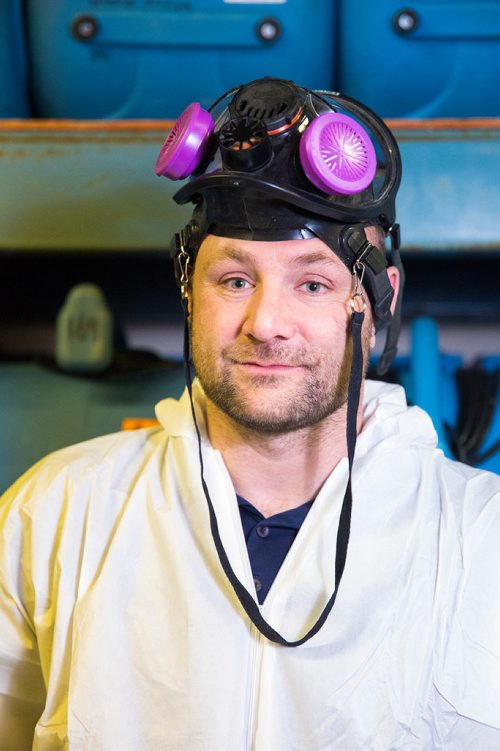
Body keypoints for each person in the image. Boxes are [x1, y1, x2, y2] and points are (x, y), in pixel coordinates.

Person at [1, 77, 499, 750]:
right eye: (235, 280)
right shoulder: (56, 514)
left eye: (312, 282)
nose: (266, 324)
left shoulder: (481, 538)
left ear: (377, 299)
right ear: (187, 288)